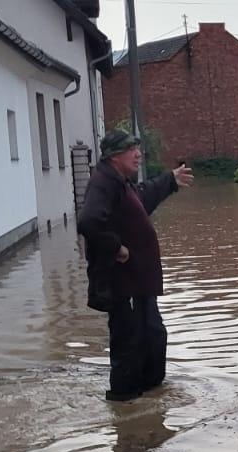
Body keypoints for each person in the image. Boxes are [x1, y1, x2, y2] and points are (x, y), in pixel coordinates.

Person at [77, 130, 193, 402]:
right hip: (123, 285)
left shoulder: (120, 181)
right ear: (115, 155)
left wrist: (169, 180)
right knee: (130, 344)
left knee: (153, 336)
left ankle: (150, 404)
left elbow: (142, 198)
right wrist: (117, 249)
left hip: (139, 283)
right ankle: (124, 405)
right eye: (132, 150)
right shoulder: (103, 182)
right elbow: (89, 221)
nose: (139, 154)